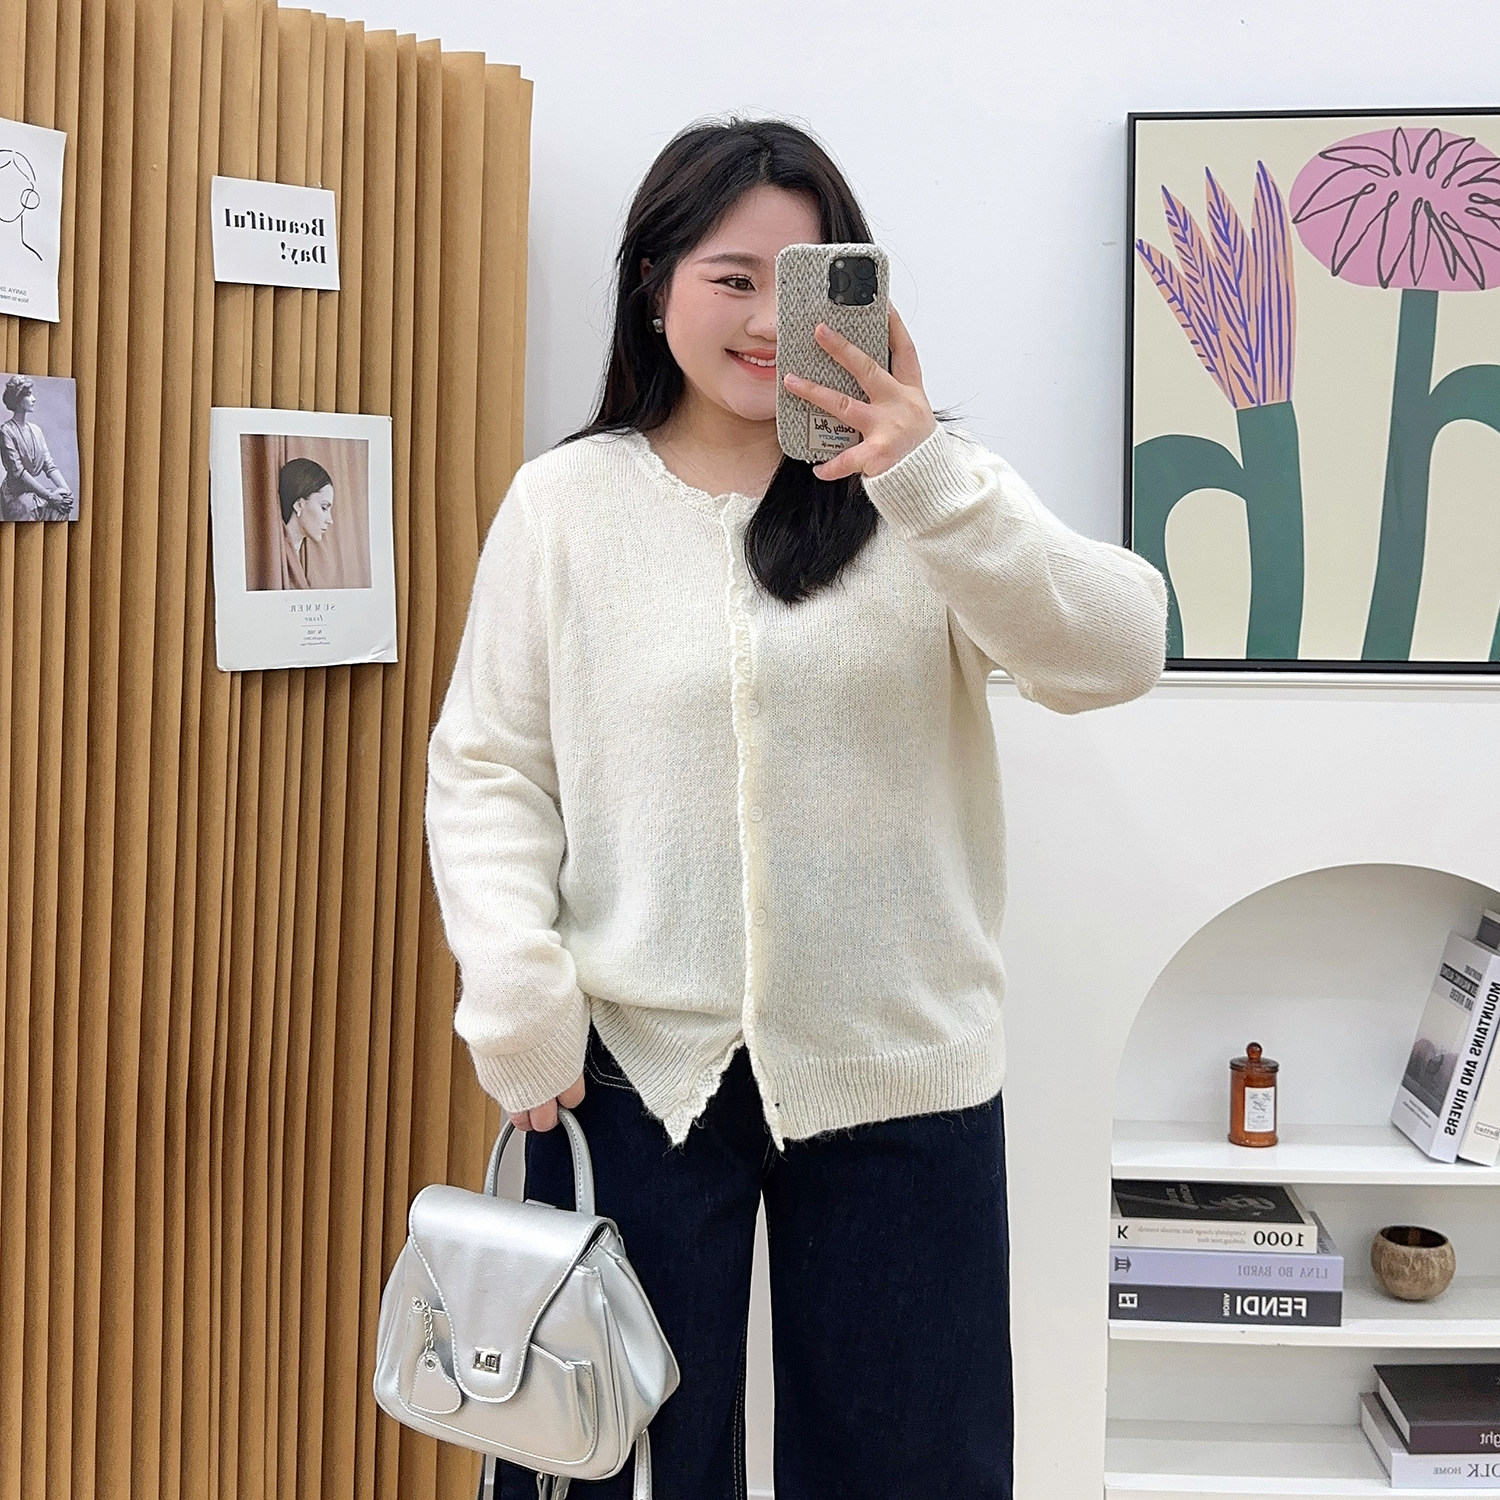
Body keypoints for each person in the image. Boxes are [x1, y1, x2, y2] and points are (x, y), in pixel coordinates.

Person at [425, 118, 1169, 1499]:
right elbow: (490, 767)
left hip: (900, 1069)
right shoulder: (563, 507)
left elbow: (1119, 653)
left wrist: (922, 473)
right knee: (612, 1466)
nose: (771, 320)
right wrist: (515, 996)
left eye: (806, 278)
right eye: (731, 278)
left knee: (914, 1469)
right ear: (653, 285)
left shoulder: (927, 495)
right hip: (632, 1070)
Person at [0, 374, 71, 521]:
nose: (34, 399)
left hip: (35, 493)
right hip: (15, 496)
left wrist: (67, 493)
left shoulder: (36, 430)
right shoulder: (6, 431)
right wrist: (50, 496)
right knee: (31, 507)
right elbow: (19, 472)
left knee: (62, 506)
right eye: (28, 395)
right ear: (18, 400)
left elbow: (49, 466)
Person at [275, 455, 334, 587]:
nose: (330, 520)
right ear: (299, 505)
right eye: (324, 507)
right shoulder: (274, 555)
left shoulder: (307, 560)